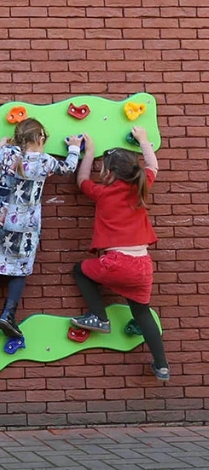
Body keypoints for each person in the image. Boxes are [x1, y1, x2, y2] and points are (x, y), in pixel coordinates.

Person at [0, 119, 81, 338]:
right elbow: (68, 168)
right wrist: (74, 148)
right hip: (26, 226)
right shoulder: (46, 161)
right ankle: (8, 315)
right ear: (40, 138)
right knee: (21, 268)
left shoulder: (7, 154)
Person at [70, 127, 169, 381]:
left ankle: (99, 317)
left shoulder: (103, 193)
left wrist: (88, 153)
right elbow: (153, 166)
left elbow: (82, 180)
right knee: (142, 313)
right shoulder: (140, 187)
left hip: (117, 262)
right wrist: (144, 141)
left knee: (80, 270)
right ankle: (162, 365)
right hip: (143, 265)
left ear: (110, 173)